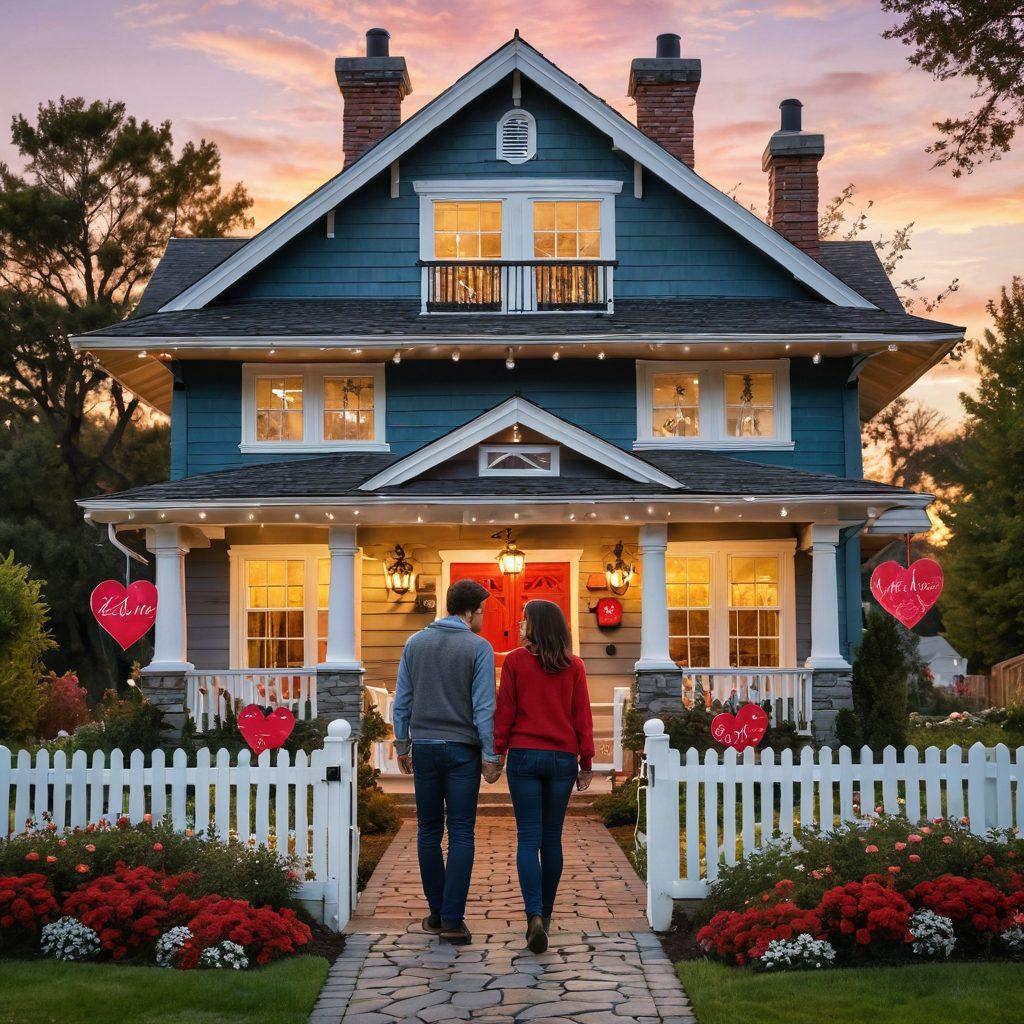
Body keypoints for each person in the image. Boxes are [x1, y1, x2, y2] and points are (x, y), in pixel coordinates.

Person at [392, 578, 503, 945]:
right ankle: (452, 920)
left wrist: (402, 744)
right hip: (462, 751)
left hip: (424, 747)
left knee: (427, 830)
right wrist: (491, 754)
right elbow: (484, 706)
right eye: (482, 611)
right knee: (460, 832)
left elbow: (403, 699)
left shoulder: (415, 643)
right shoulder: (479, 647)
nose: (483, 617)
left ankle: (437, 913)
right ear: (469, 612)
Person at [492, 599, 594, 953]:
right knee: (551, 839)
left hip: (524, 756)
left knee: (527, 838)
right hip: (562, 759)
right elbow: (582, 716)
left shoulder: (516, 662)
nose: (520, 625)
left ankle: (533, 915)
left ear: (536, 625)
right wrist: (586, 761)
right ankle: (546, 916)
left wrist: (497, 753)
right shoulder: (574, 666)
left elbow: (505, 712)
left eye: (524, 620)